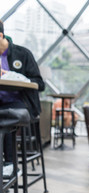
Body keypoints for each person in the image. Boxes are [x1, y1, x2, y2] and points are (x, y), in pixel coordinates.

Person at [0, 20, 45, 164]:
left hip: (22, 103)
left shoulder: (23, 54)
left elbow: (40, 84)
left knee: (6, 116)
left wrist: (14, 77)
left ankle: (10, 164)